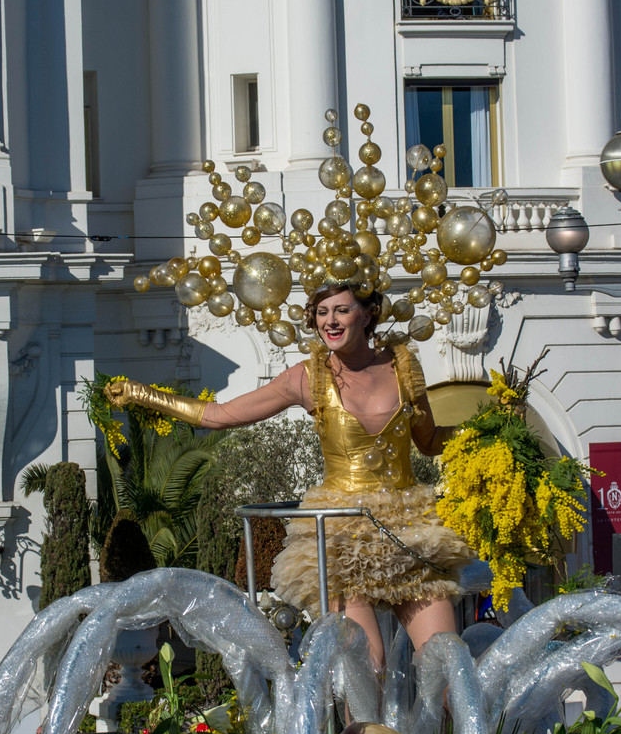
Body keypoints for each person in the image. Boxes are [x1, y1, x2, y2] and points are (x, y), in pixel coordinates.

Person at [106, 284, 477, 669]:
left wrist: (484, 429)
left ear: (367, 315)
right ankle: (360, 730)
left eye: (341, 310)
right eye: (321, 312)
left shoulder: (403, 367)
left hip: (409, 529)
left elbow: (431, 440)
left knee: (447, 665)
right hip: (340, 535)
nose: (329, 321)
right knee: (369, 669)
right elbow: (222, 415)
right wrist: (144, 395)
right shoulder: (308, 377)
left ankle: (446, 731)